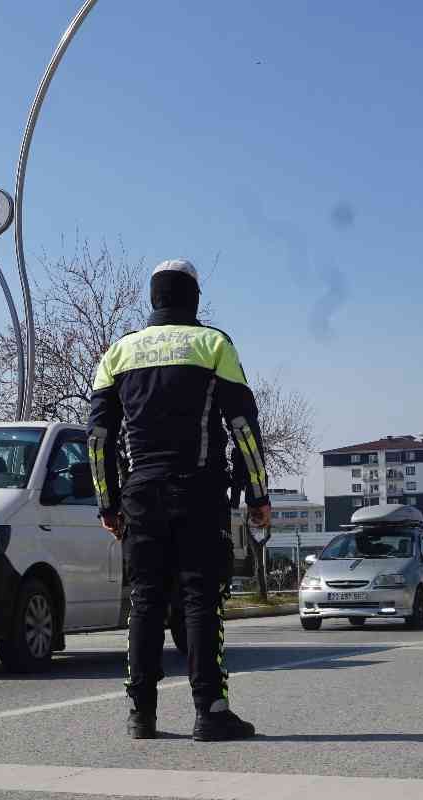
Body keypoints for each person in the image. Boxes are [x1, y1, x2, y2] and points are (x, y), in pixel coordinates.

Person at [87, 259, 273, 742]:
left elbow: (98, 439)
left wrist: (108, 504)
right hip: (199, 491)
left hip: (141, 495)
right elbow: (244, 431)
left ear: (154, 299)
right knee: (199, 599)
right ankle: (209, 709)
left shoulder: (119, 352)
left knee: (145, 600)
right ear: (194, 299)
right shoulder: (214, 344)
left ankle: (141, 714)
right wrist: (258, 493)